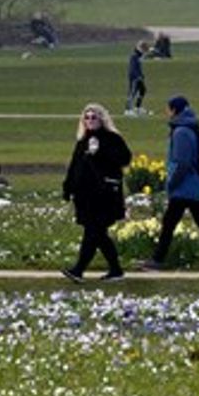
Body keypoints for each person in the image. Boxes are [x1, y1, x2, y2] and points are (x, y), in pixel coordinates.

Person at [140, 95, 199, 271]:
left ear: (174, 110)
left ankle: (157, 260)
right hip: (195, 185)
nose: (166, 112)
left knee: (170, 223)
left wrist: (172, 183)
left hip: (185, 187)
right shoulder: (192, 128)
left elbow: (183, 163)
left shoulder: (181, 132)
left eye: (168, 109)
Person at [60, 104, 131, 282]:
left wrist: (100, 153)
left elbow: (125, 158)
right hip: (85, 196)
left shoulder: (112, 139)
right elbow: (74, 167)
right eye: (87, 117)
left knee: (94, 231)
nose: (90, 120)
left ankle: (79, 270)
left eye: (94, 117)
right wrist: (68, 188)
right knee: (96, 233)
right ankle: (115, 270)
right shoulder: (82, 141)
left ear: (102, 119)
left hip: (104, 195)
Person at [125, 41, 149, 116]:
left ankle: (137, 108)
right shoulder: (134, 56)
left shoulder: (139, 56)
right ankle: (128, 110)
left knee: (143, 90)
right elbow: (132, 68)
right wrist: (137, 76)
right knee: (132, 92)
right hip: (134, 77)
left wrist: (141, 75)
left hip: (139, 76)